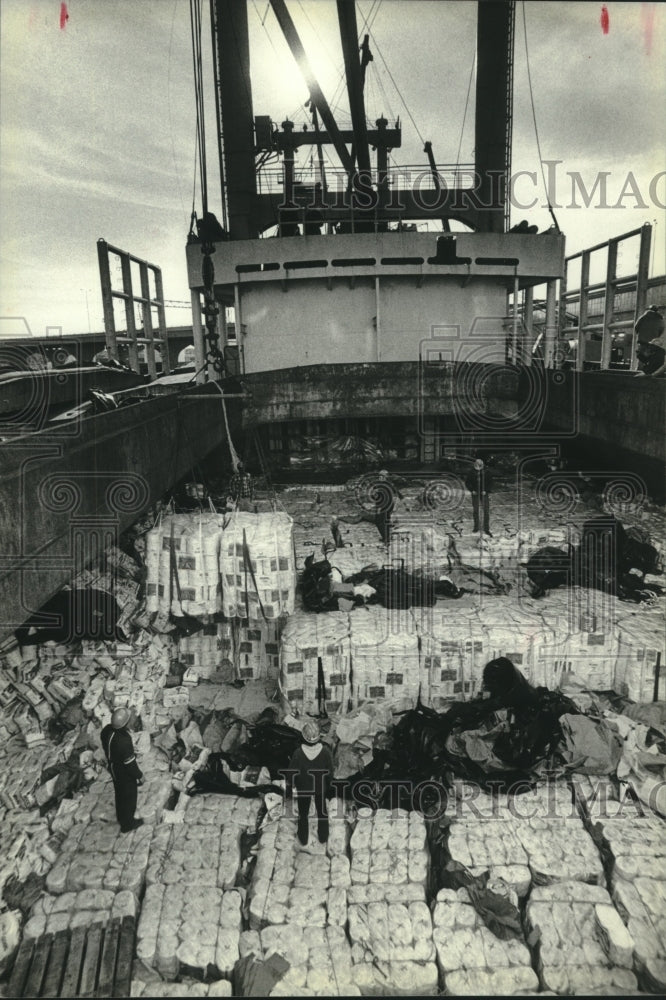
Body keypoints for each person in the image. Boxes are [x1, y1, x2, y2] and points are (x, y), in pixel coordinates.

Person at [285, 720, 333, 845]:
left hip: (303, 787)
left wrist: (290, 785)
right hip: (320, 786)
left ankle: (303, 838)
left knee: (303, 813)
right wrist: (328, 785)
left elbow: (291, 773)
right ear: (319, 737)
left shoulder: (298, 753)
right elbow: (330, 771)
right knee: (322, 812)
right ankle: (323, 837)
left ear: (303, 737)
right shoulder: (325, 752)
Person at [101, 707, 144, 833]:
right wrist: (140, 775)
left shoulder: (107, 730)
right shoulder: (124, 740)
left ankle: (121, 817)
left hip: (113, 767)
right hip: (123, 772)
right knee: (129, 797)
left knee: (119, 794)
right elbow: (130, 764)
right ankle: (128, 824)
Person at [465, 456, 494, 536]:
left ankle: (486, 528)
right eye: (476, 466)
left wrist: (486, 490)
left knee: (486, 511)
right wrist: (472, 490)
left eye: (479, 466)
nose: (478, 468)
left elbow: (491, 483)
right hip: (475, 493)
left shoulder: (487, 472)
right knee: (476, 511)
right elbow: (467, 482)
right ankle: (476, 527)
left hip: (484, 493)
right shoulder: (471, 472)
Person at [634, 305, 665, 377]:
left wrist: (641, 334)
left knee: (641, 357)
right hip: (653, 343)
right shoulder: (660, 320)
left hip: (642, 341)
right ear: (657, 311)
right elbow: (661, 330)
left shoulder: (642, 317)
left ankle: (639, 372)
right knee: (652, 359)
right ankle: (649, 373)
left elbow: (636, 327)